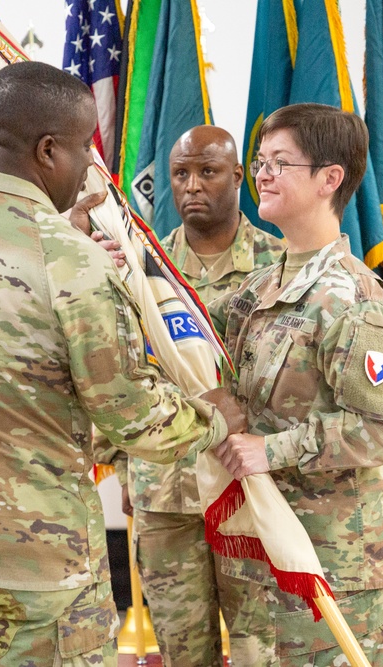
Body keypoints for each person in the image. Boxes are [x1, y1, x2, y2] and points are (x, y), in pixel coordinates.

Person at [0, 61, 243, 666]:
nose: (87, 168)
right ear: (48, 151)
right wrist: (216, 417)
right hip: (33, 562)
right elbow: (131, 417)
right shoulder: (71, 259)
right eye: (82, 150)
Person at [212, 103, 383, 665]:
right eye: (260, 161)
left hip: (339, 560)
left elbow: (382, 428)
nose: (263, 174)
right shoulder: (260, 287)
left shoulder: (350, 299)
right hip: (271, 549)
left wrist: (269, 450)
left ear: (330, 179)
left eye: (281, 162)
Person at [117, 125, 285, 666]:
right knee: (183, 651)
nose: (192, 186)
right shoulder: (144, 269)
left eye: (207, 172)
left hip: (247, 490)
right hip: (166, 492)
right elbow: (120, 375)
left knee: (262, 647)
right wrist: (125, 468)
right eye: (180, 174)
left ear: (238, 177)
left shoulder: (279, 266)